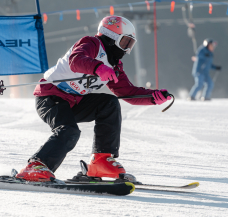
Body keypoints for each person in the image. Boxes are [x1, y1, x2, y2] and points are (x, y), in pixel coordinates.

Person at [16, 16, 171, 182]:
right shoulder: (92, 44)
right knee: (69, 131)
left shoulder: (114, 65)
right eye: (125, 43)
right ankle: (36, 166)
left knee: (109, 103)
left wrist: (152, 97)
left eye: (130, 45)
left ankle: (101, 161)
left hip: (75, 101)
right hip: (50, 95)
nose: (126, 50)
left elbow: (126, 91)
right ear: (111, 37)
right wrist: (97, 67)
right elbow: (75, 60)